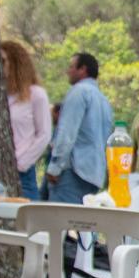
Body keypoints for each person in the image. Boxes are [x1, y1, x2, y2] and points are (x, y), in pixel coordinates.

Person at [44, 50, 113, 204]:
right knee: (83, 224)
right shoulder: (103, 100)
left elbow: (67, 132)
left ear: (83, 69)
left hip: (74, 171)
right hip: (94, 174)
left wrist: (55, 167)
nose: (68, 71)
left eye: (71, 67)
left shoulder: (79, 92)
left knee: (60, 222)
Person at [2, 38, 52, 198]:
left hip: (22, 173)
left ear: (16, 63)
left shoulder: (36, 94)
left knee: (26, 220)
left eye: (3, 61)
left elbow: (44, 134)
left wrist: (22, 163)